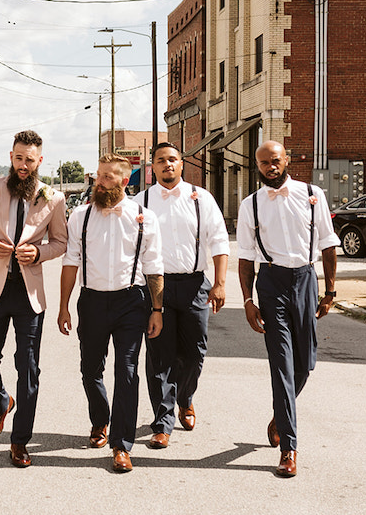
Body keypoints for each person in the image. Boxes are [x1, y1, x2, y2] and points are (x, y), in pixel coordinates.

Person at [0, 129, 68, 468]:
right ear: (11, 157)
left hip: (29, 295)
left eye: (30, 160)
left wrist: (38, 253)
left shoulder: (54, 198)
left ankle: (20, 442)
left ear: (39, 162)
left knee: (29, 369)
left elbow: (61, 243)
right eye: (18, 158)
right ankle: (2, 400)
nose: (23, 165)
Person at [237, 140, 339, 478]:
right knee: (281, 363)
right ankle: (289, 449)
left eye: (275, 161)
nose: (270, 167)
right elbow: (245, 258)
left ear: (286, 160)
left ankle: (281, 413)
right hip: (271, 284)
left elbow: (328, 244)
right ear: (258, 166)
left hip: (306, 280)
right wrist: (248, 300)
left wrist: (330, 291)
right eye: (264, 163)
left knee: (305, 363)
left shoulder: (313, 196)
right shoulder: (250, 205)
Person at [58, 154, 164, 473]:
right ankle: (99, 419)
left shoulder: (144, 217)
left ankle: (121, 445)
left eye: (107, 177)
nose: (99, 181)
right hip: (91, 300)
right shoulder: (80, 216)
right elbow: (70, 262)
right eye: (98, 175)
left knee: (127, 371)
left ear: (123, 181)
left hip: (131, 301)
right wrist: (64, 305)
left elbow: (154, 266)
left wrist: (157, 308)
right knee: (90, 369)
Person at [136, 142, 229, 448]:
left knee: (195, 352)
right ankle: (163, 422)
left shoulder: (201, 199)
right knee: (159, 356)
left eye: (173, 159)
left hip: (194, 285)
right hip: (155, 287)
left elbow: (218, 241)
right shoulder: (141, 202)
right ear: (153, 167)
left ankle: (185, 397)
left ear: (181, 164)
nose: (168, 165)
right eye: (161, 160)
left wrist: (219, 283)